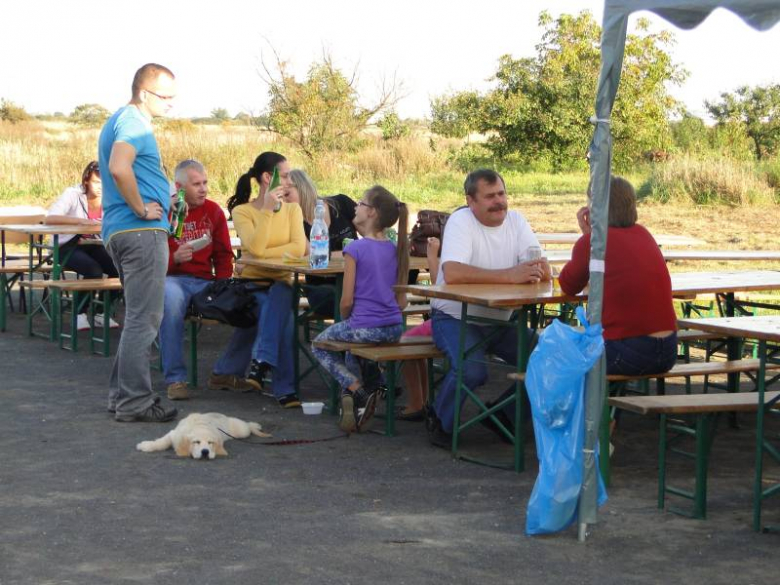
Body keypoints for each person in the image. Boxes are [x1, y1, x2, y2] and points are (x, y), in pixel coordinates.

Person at [427, 169, 551, 448]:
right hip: (455, 316)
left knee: (550, 362)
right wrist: (510, 275)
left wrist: (542, 270)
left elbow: (538, 265)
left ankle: (503, 418)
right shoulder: (461, 221)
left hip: (501, 320)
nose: (499, 202)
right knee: (472, 371)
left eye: (502, 194)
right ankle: (439, 420)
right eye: (490, 196)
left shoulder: (517, 221)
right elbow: (454, 272)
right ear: (471, 201)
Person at [98, 63, 178, 423]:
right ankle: (136, 402)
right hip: (139, 232)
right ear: (144, 93)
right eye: (165, 96)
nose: (171, 104)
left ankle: (122, 398)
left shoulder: (119, 119)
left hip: (123, 231)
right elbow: (118, 166)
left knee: (136, 318)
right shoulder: (135, 121)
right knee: (145, 320)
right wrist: (141, 207)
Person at [311, 185, 410, 433]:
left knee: (319, 345)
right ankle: (362, 397)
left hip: (367, 326)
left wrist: (346, 320)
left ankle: (358, 390)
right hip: (395, 326)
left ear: (372, 213)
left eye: (361, 203)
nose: (355, 207)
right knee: (350, 347)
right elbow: (401, 302)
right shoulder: (395, 249)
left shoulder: (354, 249)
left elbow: (346, 301)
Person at [212, 152, 306, 408]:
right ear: (267, 177)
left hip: (283, 283)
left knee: (281, 296)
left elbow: (300, 248)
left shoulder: (293, 209)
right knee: (282, 317)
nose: (289, 182)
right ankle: (284, 388)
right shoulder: (243, 211)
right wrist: (265, 212)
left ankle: (260, 364)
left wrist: (262, 254)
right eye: (285, 176)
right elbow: (256, 246)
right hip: (251, 286)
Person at [558, 176, 677, 375]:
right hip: (668, 351)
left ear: (593, 208)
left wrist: (587, 236)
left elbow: (568, 285)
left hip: (629, 350)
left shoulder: (593, 242)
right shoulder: (644, 234)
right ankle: (608, 406)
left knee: (553, 359)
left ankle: (505, 407)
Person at [158, 159, 236, 401]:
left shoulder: (213, 211)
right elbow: (152, 261)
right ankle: (176, 379)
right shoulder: (165, 212)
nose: (203, 189)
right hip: (173, 278)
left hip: (205, 281)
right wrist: (175, 258)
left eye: (205, 183)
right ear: (180, 187)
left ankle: (225, 371)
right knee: (170, 299)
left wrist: (223, 284)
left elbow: (224, 255)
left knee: (254, 300)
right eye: (196, 184)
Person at [45, 160, 120, 330]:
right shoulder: (72, 194)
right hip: (66, 245)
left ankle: (102, 312)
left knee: (120, 267)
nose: (100, 187)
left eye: (104, 183)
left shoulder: (111, 197)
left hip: (93, 243)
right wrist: (81, 222)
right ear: (86, 180)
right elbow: (51, 218)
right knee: (93, 270)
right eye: (96, 182)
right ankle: (79, 313)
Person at [283, 170, 357, 316]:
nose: (284, 201)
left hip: (356, 280)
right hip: (321, 288)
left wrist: (334, 255)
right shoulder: (294, 222)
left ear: (302, 188)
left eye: (287, 195)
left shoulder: (341, 203)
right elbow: (313, 255)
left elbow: (371, 236)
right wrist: (351, 254)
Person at [397, 236, 440, 421]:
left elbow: (441, 288)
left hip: (451, 320)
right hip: (476, 319)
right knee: (415, 346)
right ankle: (424, 400)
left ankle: (417, 404)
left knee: (406, 342)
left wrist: (432, 257)